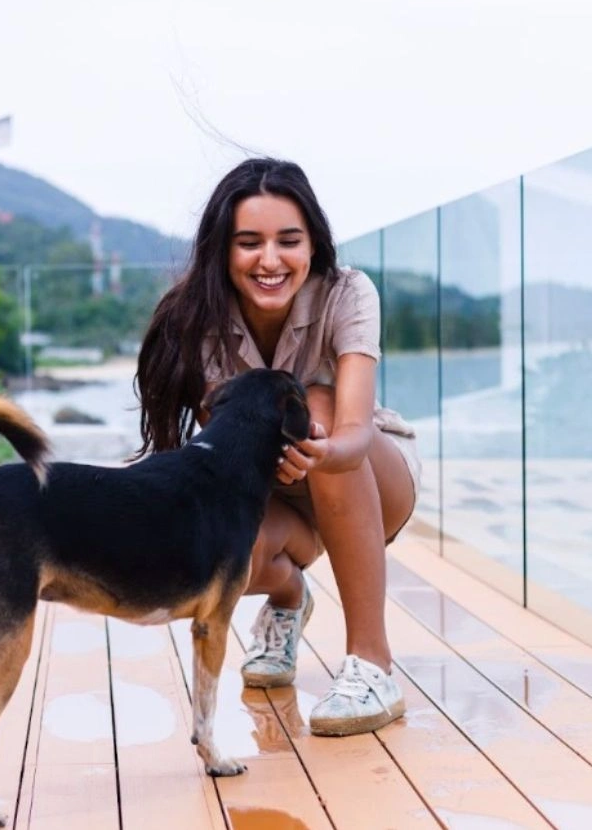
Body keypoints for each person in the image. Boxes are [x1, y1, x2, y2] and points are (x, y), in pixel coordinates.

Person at [135, 157, 421, 736]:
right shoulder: (194, 318)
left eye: (288, 241)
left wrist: (323, 453)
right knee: (222, 557)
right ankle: (290, 598)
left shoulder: (348, 293)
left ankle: (372, 664)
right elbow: (221, 454)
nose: (270, 260)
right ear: (222, 250)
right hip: (274, 489)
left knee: (315, 404)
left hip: (364, 470)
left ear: (313, 244)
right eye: (249, 243)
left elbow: (354, 429)